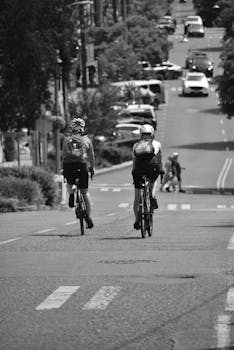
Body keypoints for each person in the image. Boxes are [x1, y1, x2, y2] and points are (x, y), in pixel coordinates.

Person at [62, 117, 95, 228]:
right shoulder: (87, 140)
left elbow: (64, 155)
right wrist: (92, 168)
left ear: (72, 128)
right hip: (82, 165)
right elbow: (91, 156)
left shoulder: (67, 139)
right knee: (85, 192)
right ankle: (89, 217)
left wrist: (64, 169)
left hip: (69, 166)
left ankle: (71, 193)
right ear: (82, 128)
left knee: (69, 182)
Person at [132, 124, 163, 230]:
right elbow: (159, 159)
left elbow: (134, 161)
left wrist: (134, 171)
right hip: (152, 169)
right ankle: (152, 195)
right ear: (152, 133)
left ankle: (137, 220)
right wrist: (161, 170)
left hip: (138, 170)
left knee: (137, 197)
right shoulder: (157, 144)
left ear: (141, 134)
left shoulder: (136, 145)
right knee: (153, 182)